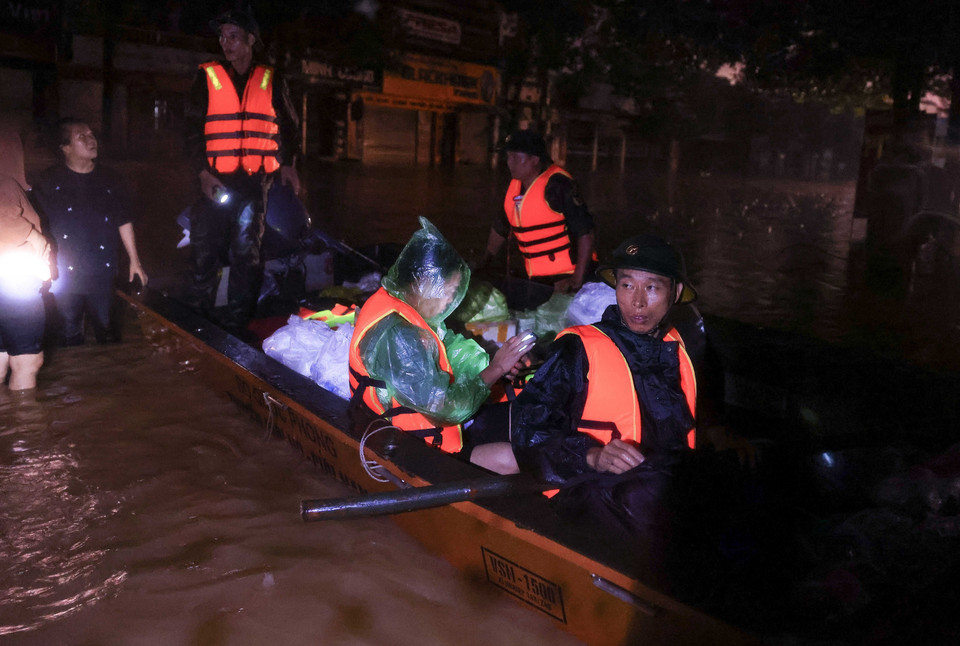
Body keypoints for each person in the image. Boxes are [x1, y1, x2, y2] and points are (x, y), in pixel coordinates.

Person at [349, 217, 531, 473]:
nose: (449, 301)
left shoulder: (406, 307)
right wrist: (496, 370)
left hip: (432, 428)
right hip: (416, 446)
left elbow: (450, 347)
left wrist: (497, 362)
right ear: (424, 285)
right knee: (511, 458)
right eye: (448, 291)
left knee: (523, 412)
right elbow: (443, 408)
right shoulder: (399, 335)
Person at [184, 7, 301, 334]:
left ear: (250, 40)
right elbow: (191, 129)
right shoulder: (206, 76)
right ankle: (198, 323)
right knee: (204, 255)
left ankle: (237, 325)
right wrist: (202, 173)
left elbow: (289, 126)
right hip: (213, 183)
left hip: (253, 185)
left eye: (233, 36)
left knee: (246, 257)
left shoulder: (271, 78)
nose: (226, 43)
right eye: (222, 37)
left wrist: (290, 164)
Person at [32, 119, 148, 345]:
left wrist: (135, 260)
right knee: (68, 335)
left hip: (102, 269)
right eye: (81, 136)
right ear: (65, 147)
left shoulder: (111, 179)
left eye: (91, 134)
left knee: (108, 332)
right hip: (63, 272)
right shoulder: (48, 181)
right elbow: (37, 224)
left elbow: (123, 220)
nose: (90, 139)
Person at [474, 129, 596, 299]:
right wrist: (485, 261)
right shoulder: (513, 188)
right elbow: (500, 227)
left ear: (534, 159)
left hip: (566, 277)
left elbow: (585, 233)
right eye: (508, 157)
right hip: (536, 280)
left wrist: (577, 279)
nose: (510, 163)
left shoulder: (559, 185)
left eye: (516, 158)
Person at [0, 125, 50, 391]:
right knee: (26, 363)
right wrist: (36, 238)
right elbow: (3, 220)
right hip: (13, 286)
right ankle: (23, 429)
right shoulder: (5, 183)